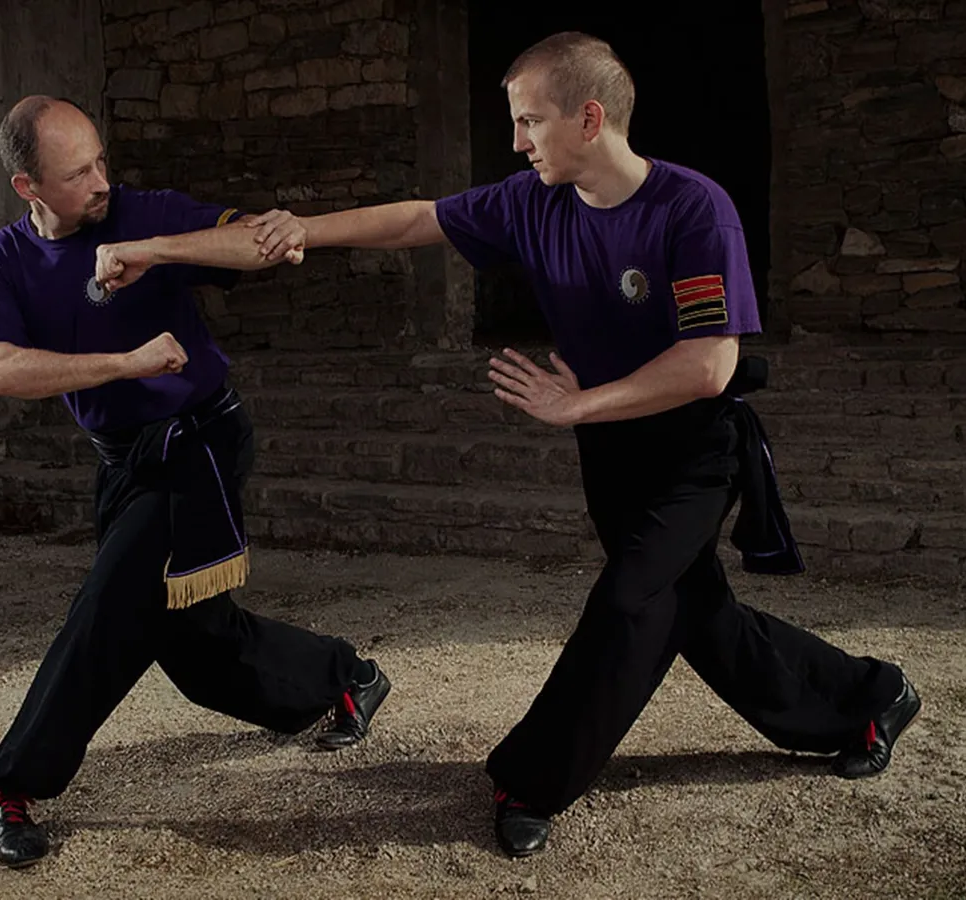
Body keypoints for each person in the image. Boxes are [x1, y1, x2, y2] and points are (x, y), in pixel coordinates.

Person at [96, 33, 920, 860]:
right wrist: (303, 226)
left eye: (530, 121)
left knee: (630, 606)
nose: (518, 141)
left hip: (692, 453)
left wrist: (576, 403)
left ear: (589, 118)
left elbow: (709, 366)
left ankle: (531, 779)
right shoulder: (533, 202)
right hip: (610, 452)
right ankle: (869, 698)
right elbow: (420, 218)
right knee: (697, 613)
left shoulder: (693, 209)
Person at [0, 95, 391, 869]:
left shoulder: (143, 212)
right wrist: (124, 364)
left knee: (109, 608)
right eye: (77, 173)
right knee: (196, 649)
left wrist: (154, 250)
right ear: (28, 187)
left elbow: (260, 243)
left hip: (199, 444)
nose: (100, 181)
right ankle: (346, 675)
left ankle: (11, 784)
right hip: (122, 459)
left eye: (100, 160)